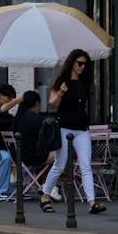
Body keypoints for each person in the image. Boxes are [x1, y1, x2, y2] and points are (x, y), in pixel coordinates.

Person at [41, 49, 104, 214]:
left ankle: (92, 202)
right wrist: (61, 92)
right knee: (60, 164)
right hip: (64, 127)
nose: (82, 67)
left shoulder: (84, 82)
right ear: (72, 63)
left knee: (85, 165)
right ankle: (45, 196)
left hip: (82, 128)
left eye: (85, 64)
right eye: (80, 63)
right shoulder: (61, 81)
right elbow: (52, 104)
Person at [13, 88, 50, 194]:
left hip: (20, 155)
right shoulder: (36, 119)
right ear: (37, 103)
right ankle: (48, 185)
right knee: (60, 155)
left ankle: (44, 183)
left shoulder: (19, 118)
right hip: (33, 156)